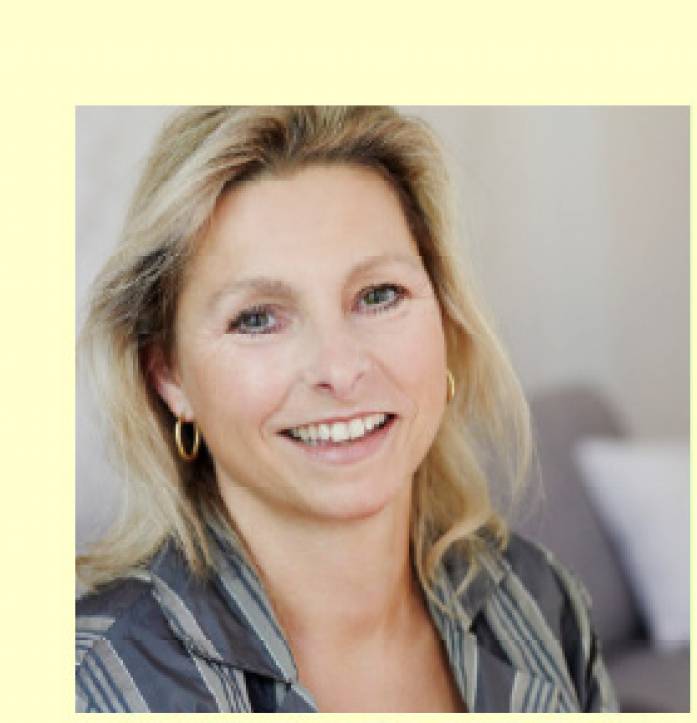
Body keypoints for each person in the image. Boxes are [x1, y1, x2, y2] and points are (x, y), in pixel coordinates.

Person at [76, 106, 617, 713]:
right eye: (257, 319)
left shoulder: (542, 601)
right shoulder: (89, 687)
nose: (339, 370)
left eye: (379, 295)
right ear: (168, 376)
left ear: (445, 318)